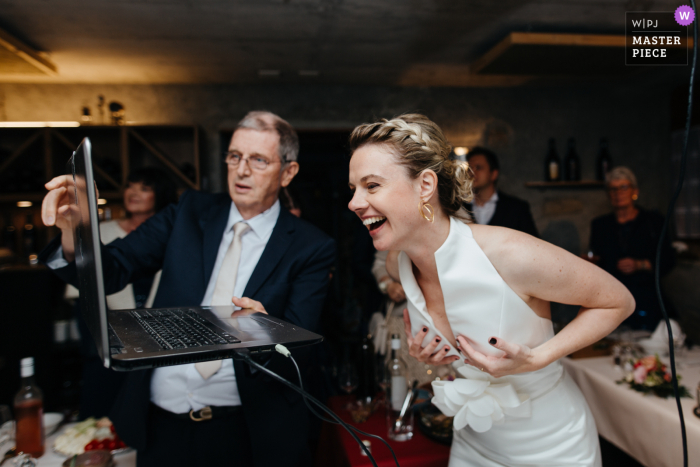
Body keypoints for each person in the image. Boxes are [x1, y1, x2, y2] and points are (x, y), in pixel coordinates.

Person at [40, 111, 336, 467]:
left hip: (244, 431)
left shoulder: (311, 246)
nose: (242, 170)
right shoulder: (188, 211)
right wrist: (76, 231)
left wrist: (267, 332)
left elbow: (301, 353)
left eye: (258, 160)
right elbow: (113, 269)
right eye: (235, 156)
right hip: (160, 424)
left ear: (288, 172)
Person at [347, 114, 634, 467]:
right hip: (474, 441)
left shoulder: (508, 254)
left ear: (425, 185)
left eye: (371, 186)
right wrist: (435, 358)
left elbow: (618, 302)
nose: (354, 202)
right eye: (354, 189)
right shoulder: (399, 263)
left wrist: (539, 357)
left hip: (551, 445)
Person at [66, 167, 177, 419]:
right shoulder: (100, 233)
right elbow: (81, 300)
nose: (133, 192)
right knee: (102, 422)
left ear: (160, 194)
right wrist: (105, 349)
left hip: (162, 351)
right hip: (109, 352)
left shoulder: (176, 238)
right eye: (130, 185)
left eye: (144, 187)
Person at [589, 166, 675, 331]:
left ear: (634, 191)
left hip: (647, 299)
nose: (618, 193)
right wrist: (589, 263)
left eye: (623, 187)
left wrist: (640, 264)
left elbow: (668, 259)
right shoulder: (600, 225)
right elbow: (600, 261)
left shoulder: (653, 222)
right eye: (613, 189)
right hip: (613, 300)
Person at [463, 146, 539, 237]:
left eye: (478, 168)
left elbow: (532, 242)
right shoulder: (460, 208)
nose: (472, 172)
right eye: (469, 168)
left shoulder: (517, 208)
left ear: (494, 174)